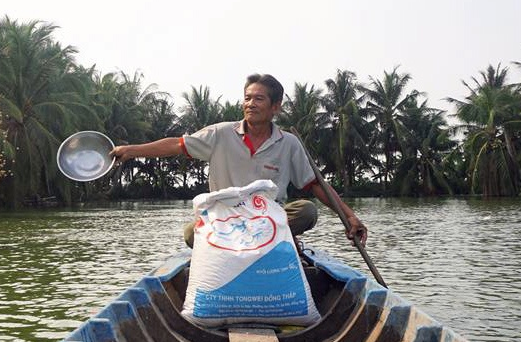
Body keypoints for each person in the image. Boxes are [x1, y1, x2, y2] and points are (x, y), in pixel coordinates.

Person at [111, 73, 368, 247]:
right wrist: (132, 150)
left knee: (307, 211)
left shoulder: (288, 142)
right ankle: (249, 245)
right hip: (227, 220)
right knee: (191, 234)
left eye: (259, 99)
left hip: (270, 220)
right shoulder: (221, 133)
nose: (251, 104)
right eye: (247, 98)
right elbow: (176, 145)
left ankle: (271, 242)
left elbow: (316, 185)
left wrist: (350, 217)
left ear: (275, 107)